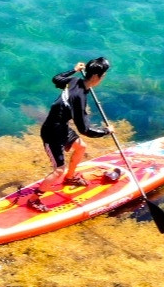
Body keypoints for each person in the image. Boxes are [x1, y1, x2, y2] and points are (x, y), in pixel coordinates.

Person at [21, 56, 114, 211]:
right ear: (96, 77)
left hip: (61, 127)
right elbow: (85, 130)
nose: (103, 78)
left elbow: (56, 79)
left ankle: (70, 179)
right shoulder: (79, 98)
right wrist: (106, 131)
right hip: (52, 133)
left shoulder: (74, 81)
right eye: (103, 75)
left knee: (81, 147)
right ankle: (34, 200)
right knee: (58, 170)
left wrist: (74, 70)